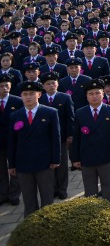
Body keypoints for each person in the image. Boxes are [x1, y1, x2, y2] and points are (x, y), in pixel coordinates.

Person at [7, 80, 61, 216]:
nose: (28, 97)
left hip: (44, 162)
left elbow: (56, 138)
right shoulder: (15, 116)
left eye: (32, 93)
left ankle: (48, 222)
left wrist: (56, 159)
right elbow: (12, 142)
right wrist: (12, 164)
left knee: (47, 196)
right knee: (28, 198)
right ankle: (31, 225)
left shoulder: (50, 113)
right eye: (25, 94)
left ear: (39, 94)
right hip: (23, 163)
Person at [71, 78, 110, 205]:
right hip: (87, 158)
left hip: (107, 157)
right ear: (86, 96)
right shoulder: (80, 113)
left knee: (109, 189)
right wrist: (75, 158)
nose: (94, 96)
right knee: (90, 191)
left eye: (97, 93)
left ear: (103, 94)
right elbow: (76, 138)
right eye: (91, 94)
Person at [38, 71, 74, 199]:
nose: (51, 85)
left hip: (62, 137)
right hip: (45, 138)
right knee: (49, 165)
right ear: (43, 86)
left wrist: (70, 134)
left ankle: (62, 189)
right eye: (48, 84)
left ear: (58, 84)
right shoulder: (40, 99)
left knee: (62, 164)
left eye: (53, 83)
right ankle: (52, 189)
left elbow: (70, 117)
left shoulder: (65, 98)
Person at [0, 73, 23, 205]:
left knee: (15, 168)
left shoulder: (17, 101)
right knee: (1, 170)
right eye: (1, 86)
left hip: (13, 141)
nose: (4, 88)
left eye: (6, 85)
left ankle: (14, 194)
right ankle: (3, 194)